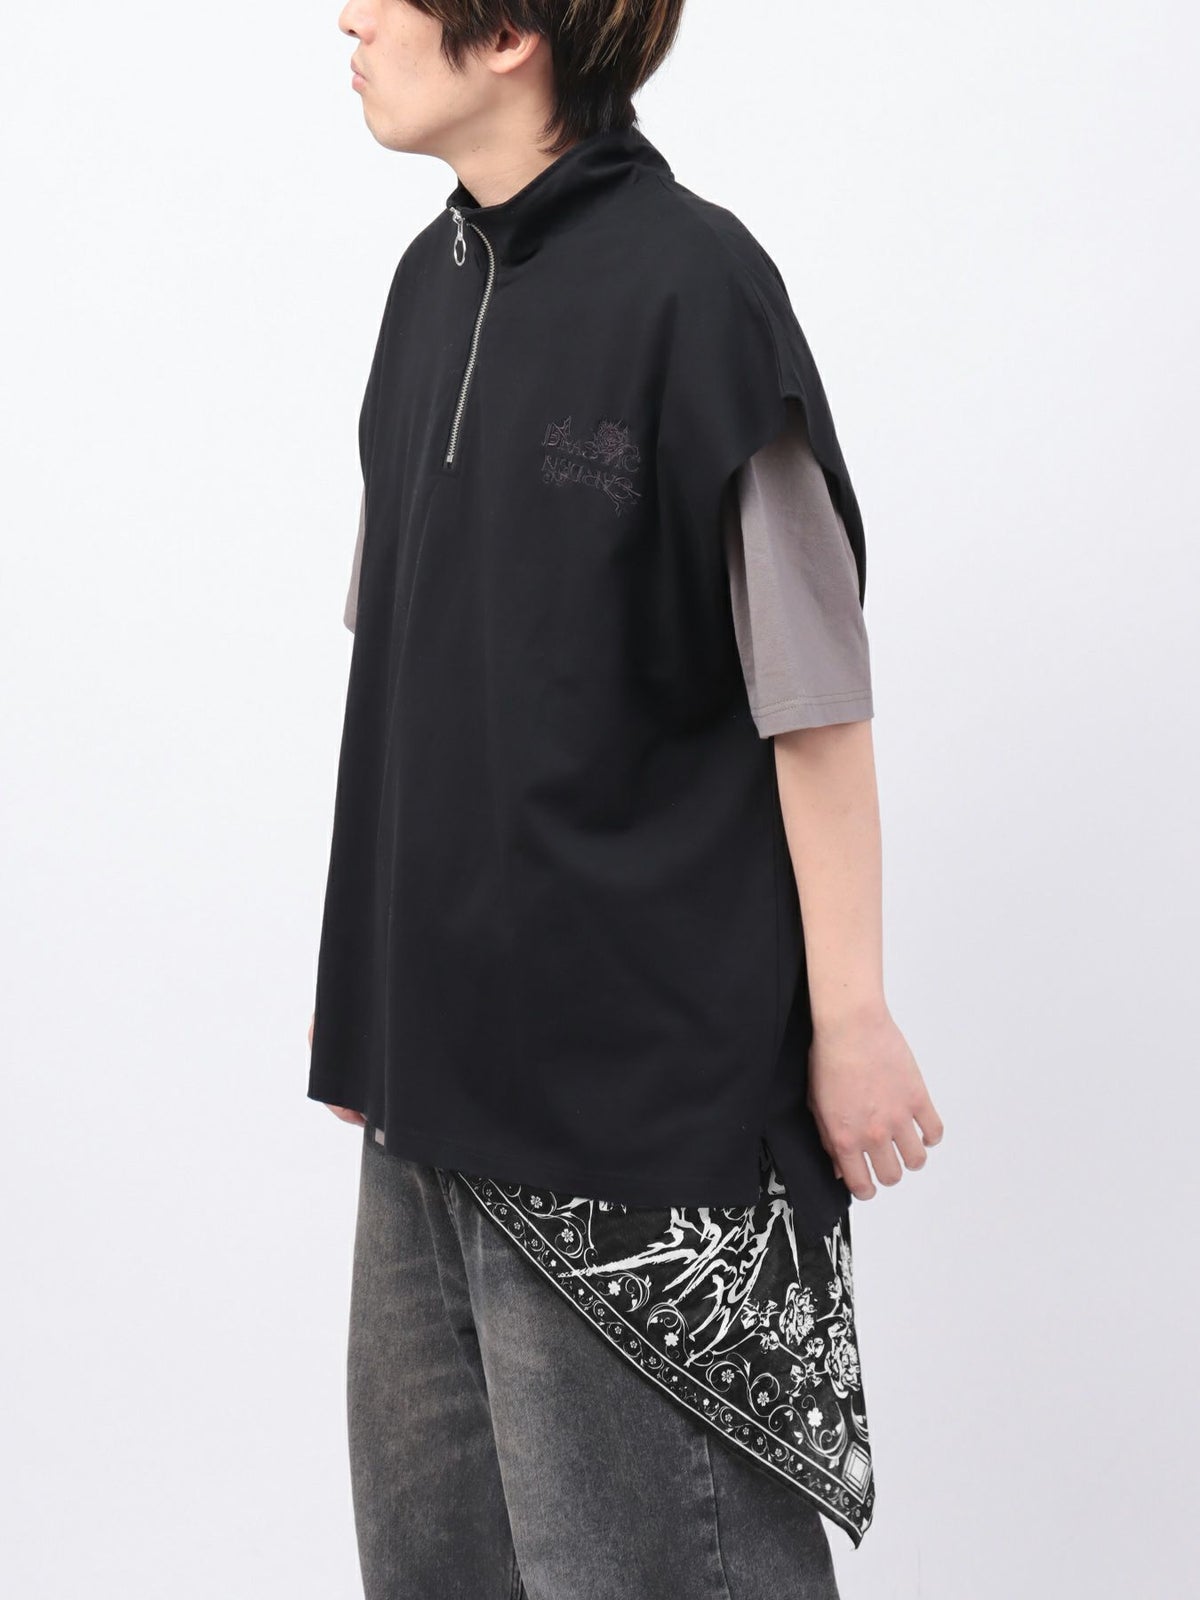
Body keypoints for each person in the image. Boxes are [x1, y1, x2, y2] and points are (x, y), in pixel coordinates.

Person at [307, 3, 945, 1596]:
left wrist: (851, 1013)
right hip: (429, 1106)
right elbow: (407, 666)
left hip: (633, 1124)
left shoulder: (696, 291)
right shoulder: (426, 286)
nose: (351, 17)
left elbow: (813, 694)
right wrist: (370, 1001)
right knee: (436, 1572)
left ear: (511, 33)